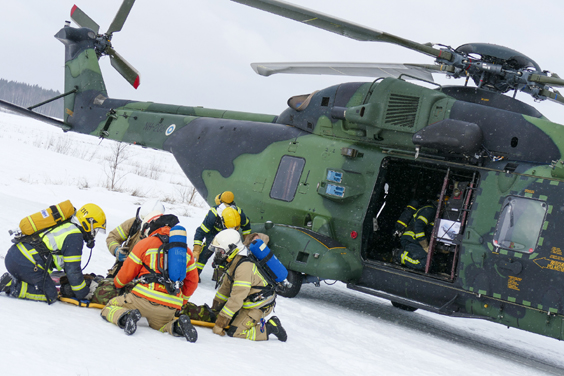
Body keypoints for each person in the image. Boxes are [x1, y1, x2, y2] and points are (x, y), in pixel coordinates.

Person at [100, 213, 199, 342]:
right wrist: (181, 302)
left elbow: (126, 273)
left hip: (143, 299)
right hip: (170, 306)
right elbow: (193, 282)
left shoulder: (145, 243)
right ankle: (177, 326)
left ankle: (125, 317)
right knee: (162, 326)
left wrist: (117, 285)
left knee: (110, 307)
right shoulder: (185, 251)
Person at [0, 203, 106, 304]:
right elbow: (72, 270)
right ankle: (12, 286)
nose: (94, 235)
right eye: (95, 230)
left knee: (46, 282)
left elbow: (69, 268)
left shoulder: (65, 225)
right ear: (89, 223)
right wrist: (83, 293)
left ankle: (15, 279)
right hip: (26, 263)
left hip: (15, 256)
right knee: (50, 294)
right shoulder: (75, 236)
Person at [209, 229, 287, 342]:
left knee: (235, 331)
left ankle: (271, 328)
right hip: (246, 301)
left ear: (231, 249)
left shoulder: (244, 267)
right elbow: (225, 289)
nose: (218, 254)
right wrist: (216, 309)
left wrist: (221, 322)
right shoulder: (233, 262)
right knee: (230, 319)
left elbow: (237, 297)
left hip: (258, 305)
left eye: (220, 251)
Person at [193, 191, 251, 274]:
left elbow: (247, 226)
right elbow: (201, 231)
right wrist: (196, 250)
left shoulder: (218, 212)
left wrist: (247, 241)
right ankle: (201, 275)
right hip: (221, 236)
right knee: (213, 255)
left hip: (223, 236)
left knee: (215, 257)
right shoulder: (235, 212)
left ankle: (213, 276)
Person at [105, 200, 165, 277]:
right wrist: (116, 250)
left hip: (146, 277)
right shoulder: (134, 223)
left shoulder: (164, 234)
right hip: (123, 271)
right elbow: (113, 237)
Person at [398, 199, 438, 271]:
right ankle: (398, 255)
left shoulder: (437, 214)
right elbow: (418, 226)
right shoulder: (430, 210)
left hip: (416, 241)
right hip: (411, 239)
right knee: (425, 264)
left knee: (432, 262)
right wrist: (425, 246)